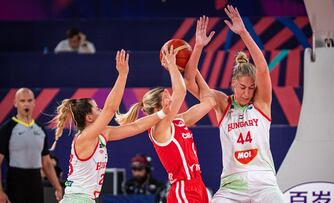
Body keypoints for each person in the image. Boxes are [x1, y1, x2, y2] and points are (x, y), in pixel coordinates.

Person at [184, 6, 285, 203]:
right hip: (232, 186)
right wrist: (198, 46)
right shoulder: (221, 103)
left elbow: (263, 69)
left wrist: (243, 33)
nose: (247, 93)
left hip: (263, 183)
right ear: (233, 84)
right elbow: (189, 82)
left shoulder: (261, 103)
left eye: (251, 87)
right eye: (242, 87)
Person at [51, 49, 169, 203]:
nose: (101, 109)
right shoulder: (85, 137)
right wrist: (122, 75)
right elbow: (110, 109)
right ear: (89, 117)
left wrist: (162, 114)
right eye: (96, 108)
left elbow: (135, 127)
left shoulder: (102, 134)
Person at [116, 44, 216, 202]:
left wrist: (195, 53)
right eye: (167, 97)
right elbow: (181, 91)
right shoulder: (159, 128)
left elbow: (210, 101)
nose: (171, 99)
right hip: (183, 189)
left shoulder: (179, 121)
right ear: (157, 107)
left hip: (198, 185)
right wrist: (172, 66)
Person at [0, 88, 63, 203]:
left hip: (36, 184)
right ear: (15, 103)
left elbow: (47, 163)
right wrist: (0, 191)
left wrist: (58, 187)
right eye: (22, 101)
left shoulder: (40, 129)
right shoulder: (7, 129)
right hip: (15, 184)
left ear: (34, 102)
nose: (26, 104)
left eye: (29, 100)